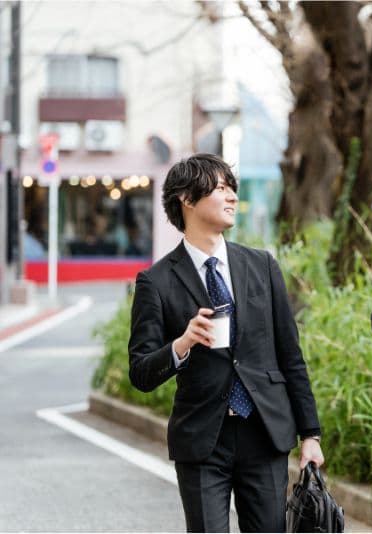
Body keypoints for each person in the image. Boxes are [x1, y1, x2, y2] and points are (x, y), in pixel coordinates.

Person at [128, 153, 324, 532]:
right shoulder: (156, 281)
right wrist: (182, 343)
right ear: (187, 198)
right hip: (202, 438)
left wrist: (310, 434)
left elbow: (290, 354)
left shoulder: (261, 265)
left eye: (231, 188)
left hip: (264, 432)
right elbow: (140, 371)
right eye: (220, 188)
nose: (231, 196)